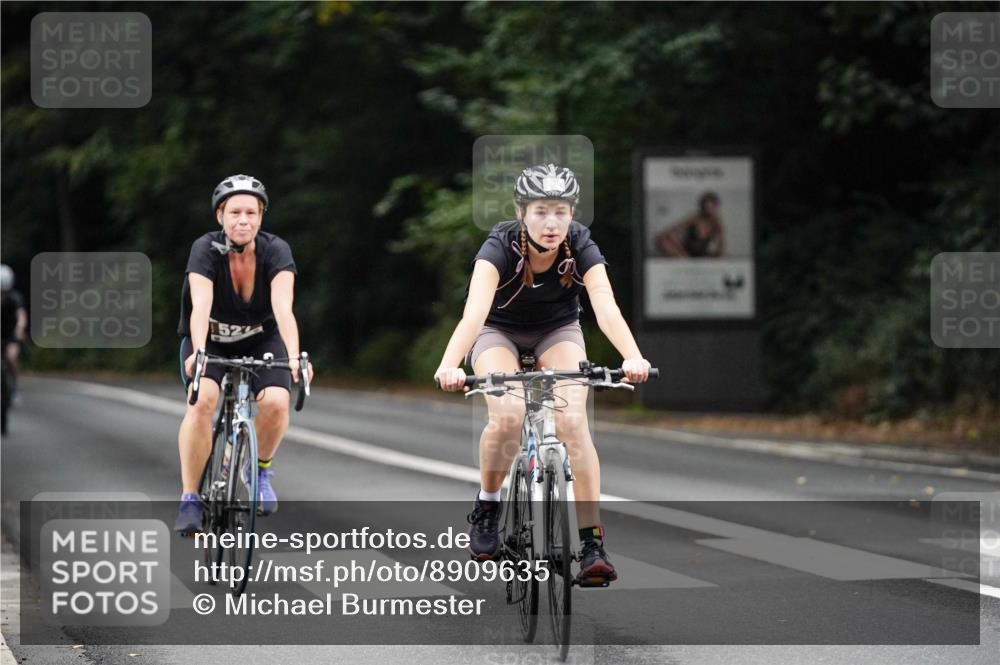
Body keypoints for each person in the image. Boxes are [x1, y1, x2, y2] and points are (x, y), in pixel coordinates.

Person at [434, 164, 652, 585]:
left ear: (571, 213)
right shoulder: (499, 246)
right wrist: (450, 363)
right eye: (540, 212)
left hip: (557, 330)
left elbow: (605, 306)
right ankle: (488, 505)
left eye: (560, 211)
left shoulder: (580, 244)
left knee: (573, 421)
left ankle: (591, 544)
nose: (552, 222)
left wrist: (633, 356)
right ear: (521, 212)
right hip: (498, 331)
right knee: (509, 416)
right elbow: (474, 313)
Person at [174, 175, 311, 534]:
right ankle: (190, 497)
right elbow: (200, 307)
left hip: (262, 341)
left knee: (277, 402)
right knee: (202, 400)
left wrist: (295, 358)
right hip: (211, 340)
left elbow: (284, 308)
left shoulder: (276, 250)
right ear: (220, 215)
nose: (243, 220)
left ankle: (260, 470)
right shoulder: (204, 249)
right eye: (234, 212)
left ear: (261, 217)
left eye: (251, 212)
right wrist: (200, 351)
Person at [654, 191, 725, 258]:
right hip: (686, 253)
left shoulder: (717, 222)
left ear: (716, 207)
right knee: (660, 239)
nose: (709, 210)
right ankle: (683, 259)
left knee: (721, 255)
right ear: (702, 207)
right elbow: (668, 232)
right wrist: (680, 250)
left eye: (712, 207)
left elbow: (721, 244)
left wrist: (719, 255)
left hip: (702, 254)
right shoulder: (694, 219)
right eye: (707, 207)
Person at [1, 264, 28, 402]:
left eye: (3, 291)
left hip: (11, 335)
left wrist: (19, 329)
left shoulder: (15, 298)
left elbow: (21, 316)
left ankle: (14, 389)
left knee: (11, 357)